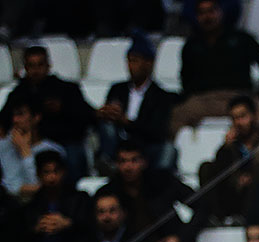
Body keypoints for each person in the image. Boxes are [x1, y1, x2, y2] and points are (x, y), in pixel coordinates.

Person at [171, 0, 259, 134]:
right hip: (204, 100)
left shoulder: (242, 39)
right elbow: (185, 77)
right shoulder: (191, 46)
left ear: (220, 12)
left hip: (238, 96)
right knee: (177, 115)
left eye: (211, 11)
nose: (207, 17)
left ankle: (252, 148)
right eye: (202, 13)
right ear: (196, 16)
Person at [0, 45, 94, 181]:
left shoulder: (67, 89)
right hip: (30, 143)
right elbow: (4, 118)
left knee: (72, 155)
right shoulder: (18, 93)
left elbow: (87, 116)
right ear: (25, 67)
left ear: (48, 65)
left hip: (64, 140)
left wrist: (63, 109)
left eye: (40, 65)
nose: (36, 70)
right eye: (31, 66)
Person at [96, 33, 178, 173]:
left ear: (148, 63)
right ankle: (110, 165)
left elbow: (157, 131)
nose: (130, 66)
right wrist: (104, 113)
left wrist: (127, 122)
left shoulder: (161, 96)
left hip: (146, 148)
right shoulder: (117, 89)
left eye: (135, 61)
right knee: (106, 125)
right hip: (119, 145)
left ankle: (159, 180)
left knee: (168, 149)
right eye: (129, 61)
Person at [200, 94, 259, 223]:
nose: (238, 122)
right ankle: (215, 217)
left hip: (256, 191)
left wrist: (249, 175)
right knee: (206, 167)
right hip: (233, 190)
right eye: (234, 118)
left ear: (253, 115)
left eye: (242, 116)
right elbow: (220, 168)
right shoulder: (233, 143)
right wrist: (226, 147)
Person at [0, 97, 66, 201]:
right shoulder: (3, 147)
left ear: (36, 117)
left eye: (20, 114)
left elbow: (44, 189)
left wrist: (25, 152)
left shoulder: (53, 150)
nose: (15, 120)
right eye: (13, 115)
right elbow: (9, 187)